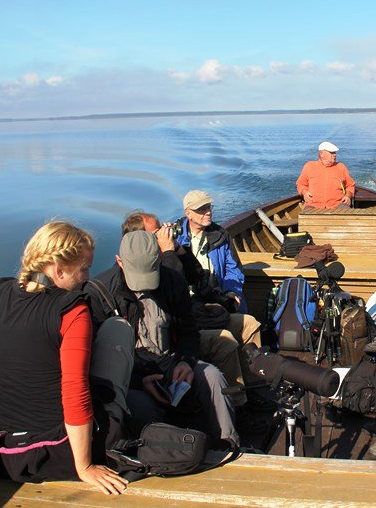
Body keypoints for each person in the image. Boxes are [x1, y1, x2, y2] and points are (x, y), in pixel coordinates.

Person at [0, 222, 132, 496]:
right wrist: (84, 467)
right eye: (83, 268)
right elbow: (75, 393)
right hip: (55, 453)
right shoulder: (72, 311)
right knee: (118, 329)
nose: (87, 277)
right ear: (58, 269)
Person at [85, 230, 241, 444]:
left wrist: (186, 361)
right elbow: (100, 360)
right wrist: (140, 380)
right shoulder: (99, 293)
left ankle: (228, 443)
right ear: (119, 262)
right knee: (144, 409)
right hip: (129, 375)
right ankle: (170, 455)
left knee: (214, 378)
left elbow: (188, 329)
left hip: (170, 362)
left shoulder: (173, 281)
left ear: (159, 258)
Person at [122, 211, 269, 416]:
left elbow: (197, 276)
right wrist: (167, 253)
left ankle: (255, 388)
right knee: (225, 342)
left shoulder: (168, 254)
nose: (164, 234)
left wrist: (180, 250)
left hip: (194, 316)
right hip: (178, 336)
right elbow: (175, 285)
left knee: (250, 324)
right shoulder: (142, 271)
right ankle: (239, 406)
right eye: (157, 232)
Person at [175, 190, 249, 314]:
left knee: (247, 321)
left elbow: (233, 269)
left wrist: (230, 292)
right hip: (186, 300)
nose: (208, 212)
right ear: (188, 213)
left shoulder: (221, 236)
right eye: (201, 209)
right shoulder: (175, 237)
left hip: (216, 295)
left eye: (209, 207)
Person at [296, 141, 356, 210]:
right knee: (305, 218)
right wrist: (304, 193)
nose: (335, 155)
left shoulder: (341, 167)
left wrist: (348, 196)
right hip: (313, 205)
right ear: (322, 154)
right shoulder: (309, 166)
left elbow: (350, 185)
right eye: (331, 153)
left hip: (338, 205)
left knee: (348, 215)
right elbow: (300, 184)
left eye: (335, 153)